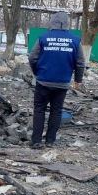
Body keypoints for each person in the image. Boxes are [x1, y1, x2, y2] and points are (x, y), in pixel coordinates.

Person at [29, 12, 85, 148]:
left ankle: (36, 141)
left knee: (39, 110)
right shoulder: (75, 40)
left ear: (52, 22)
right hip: (62, 83)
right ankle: (50, 141)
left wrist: (37, 72)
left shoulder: (43, 37)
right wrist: (78, 79)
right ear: (67, 23)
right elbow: (80, 62)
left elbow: (32, 58)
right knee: (56, 110)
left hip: (43, 81)